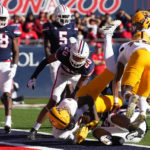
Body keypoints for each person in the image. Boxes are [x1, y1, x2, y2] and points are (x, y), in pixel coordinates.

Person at [27, 38, 95, 140]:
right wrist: (34, 76)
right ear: (71, 53)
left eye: (81, 58)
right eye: (76, 57)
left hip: (77, 77)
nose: (78, 60)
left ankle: (71, 128)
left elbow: (78, 86)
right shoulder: (63, 52)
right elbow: (46, 61)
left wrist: (70, 99)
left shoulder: (88, 66)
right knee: (54, 100)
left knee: (79, 103)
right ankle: (34, 129)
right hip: (63, 73)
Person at [113, 10, 150, 131]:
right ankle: (142, 114)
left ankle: (130, 99)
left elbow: (117, 78)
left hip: (140, 55)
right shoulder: (144, 34)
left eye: (138, 24)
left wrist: (118, 95)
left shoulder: (124, 51)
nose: (135, 27)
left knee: (127, 90)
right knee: (142, 95)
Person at [0, 5, 21, 133]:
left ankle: (8, 121)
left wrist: (14, 66)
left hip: (6, 64)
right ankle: (8, 119)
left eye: (2, 18)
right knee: (5, 95)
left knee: (7, 94)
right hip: (5, 65)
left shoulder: (11, 30)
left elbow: (16, 50)